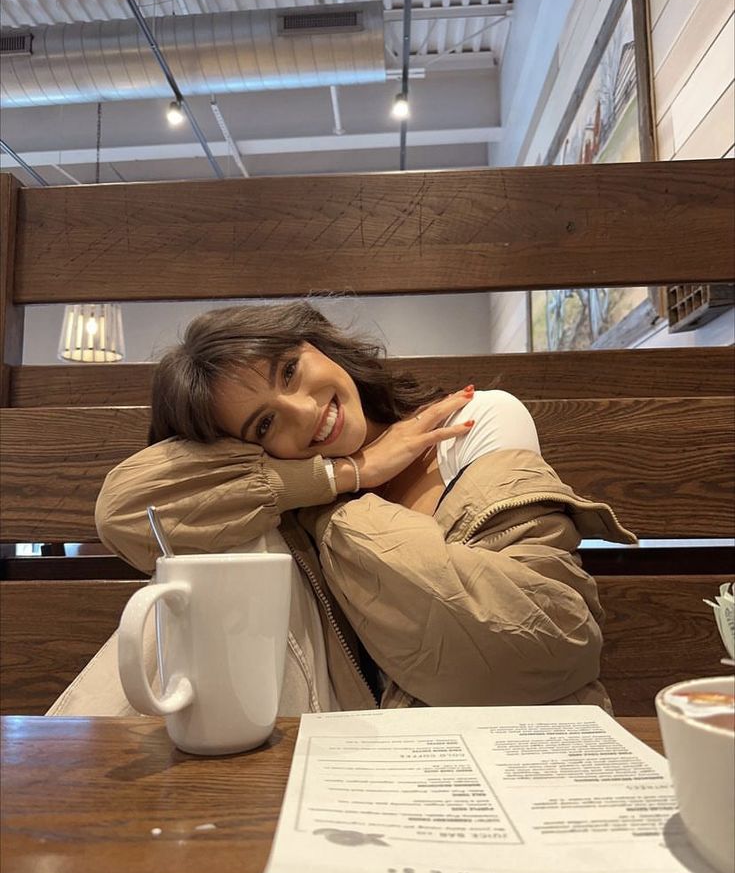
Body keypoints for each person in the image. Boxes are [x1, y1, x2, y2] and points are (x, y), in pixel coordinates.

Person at [48, 301, 637, 719]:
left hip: (505, 748)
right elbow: (123, 512)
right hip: (338, 751)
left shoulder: (471, 423)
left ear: (318, 345)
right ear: (248, 449)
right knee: (242, 551)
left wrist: (334, 510)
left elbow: (531, 643)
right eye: (265, 423)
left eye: (290, 372)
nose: (305, 413)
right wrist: (350, 474)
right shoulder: (287, 497)